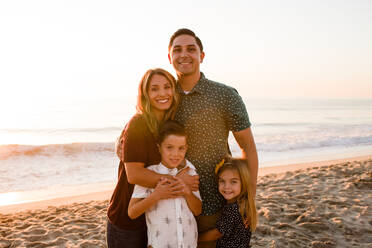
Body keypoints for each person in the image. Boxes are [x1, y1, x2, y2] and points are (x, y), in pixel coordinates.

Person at [167, 28, 259, 248]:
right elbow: (141, 127)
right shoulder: (164, 97)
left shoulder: (225, 95)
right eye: (177, 50)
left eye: (191, 49)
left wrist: (248, 199)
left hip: (214, 205)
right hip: (172, 205)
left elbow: (248, 148)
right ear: (170, 57)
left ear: (202, 55)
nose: (184, 54)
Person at [106, 68, 199, 248]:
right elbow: (134, 175)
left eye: (167, 87)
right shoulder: (138, 124)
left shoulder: (168, 125)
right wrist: (180, 182)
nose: (162, 93)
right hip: (127, 218)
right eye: (154, 89)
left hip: (155, 219)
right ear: (145, 94)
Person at [128, 120, 202, 248]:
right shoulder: (150, 173)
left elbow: (197, 210)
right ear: (159, 147)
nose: (175, 154)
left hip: (188, 244)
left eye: (181, 148)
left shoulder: (190, 172)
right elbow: (132, 212)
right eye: (169, 147)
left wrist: (187, 193)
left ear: (186, 148)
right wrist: (156, 196)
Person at [198, 157, 257, 248]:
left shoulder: (232, 209)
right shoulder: (244, 202)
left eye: (233, 182)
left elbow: (217, 233)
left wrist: (197, 238)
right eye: (222, 181)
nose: (226, 187)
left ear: (243, 182)